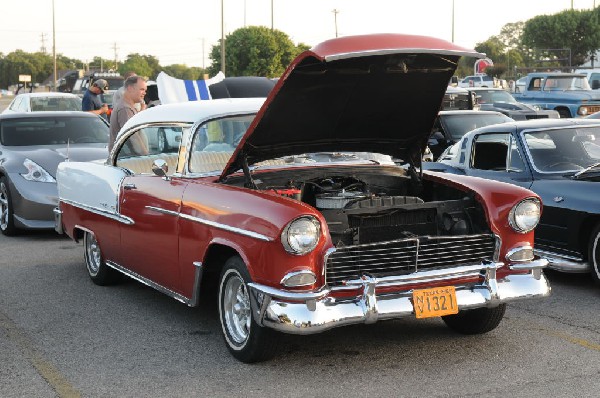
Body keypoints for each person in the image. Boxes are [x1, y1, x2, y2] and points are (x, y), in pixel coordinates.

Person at [109, 75, 148, 152]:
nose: (144, 93)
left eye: (145, 90)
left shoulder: (128, 106)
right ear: (130, 88)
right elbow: (133, 137)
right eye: (142, 89)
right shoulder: (125, 108)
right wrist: (146, 157)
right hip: (128, 159)